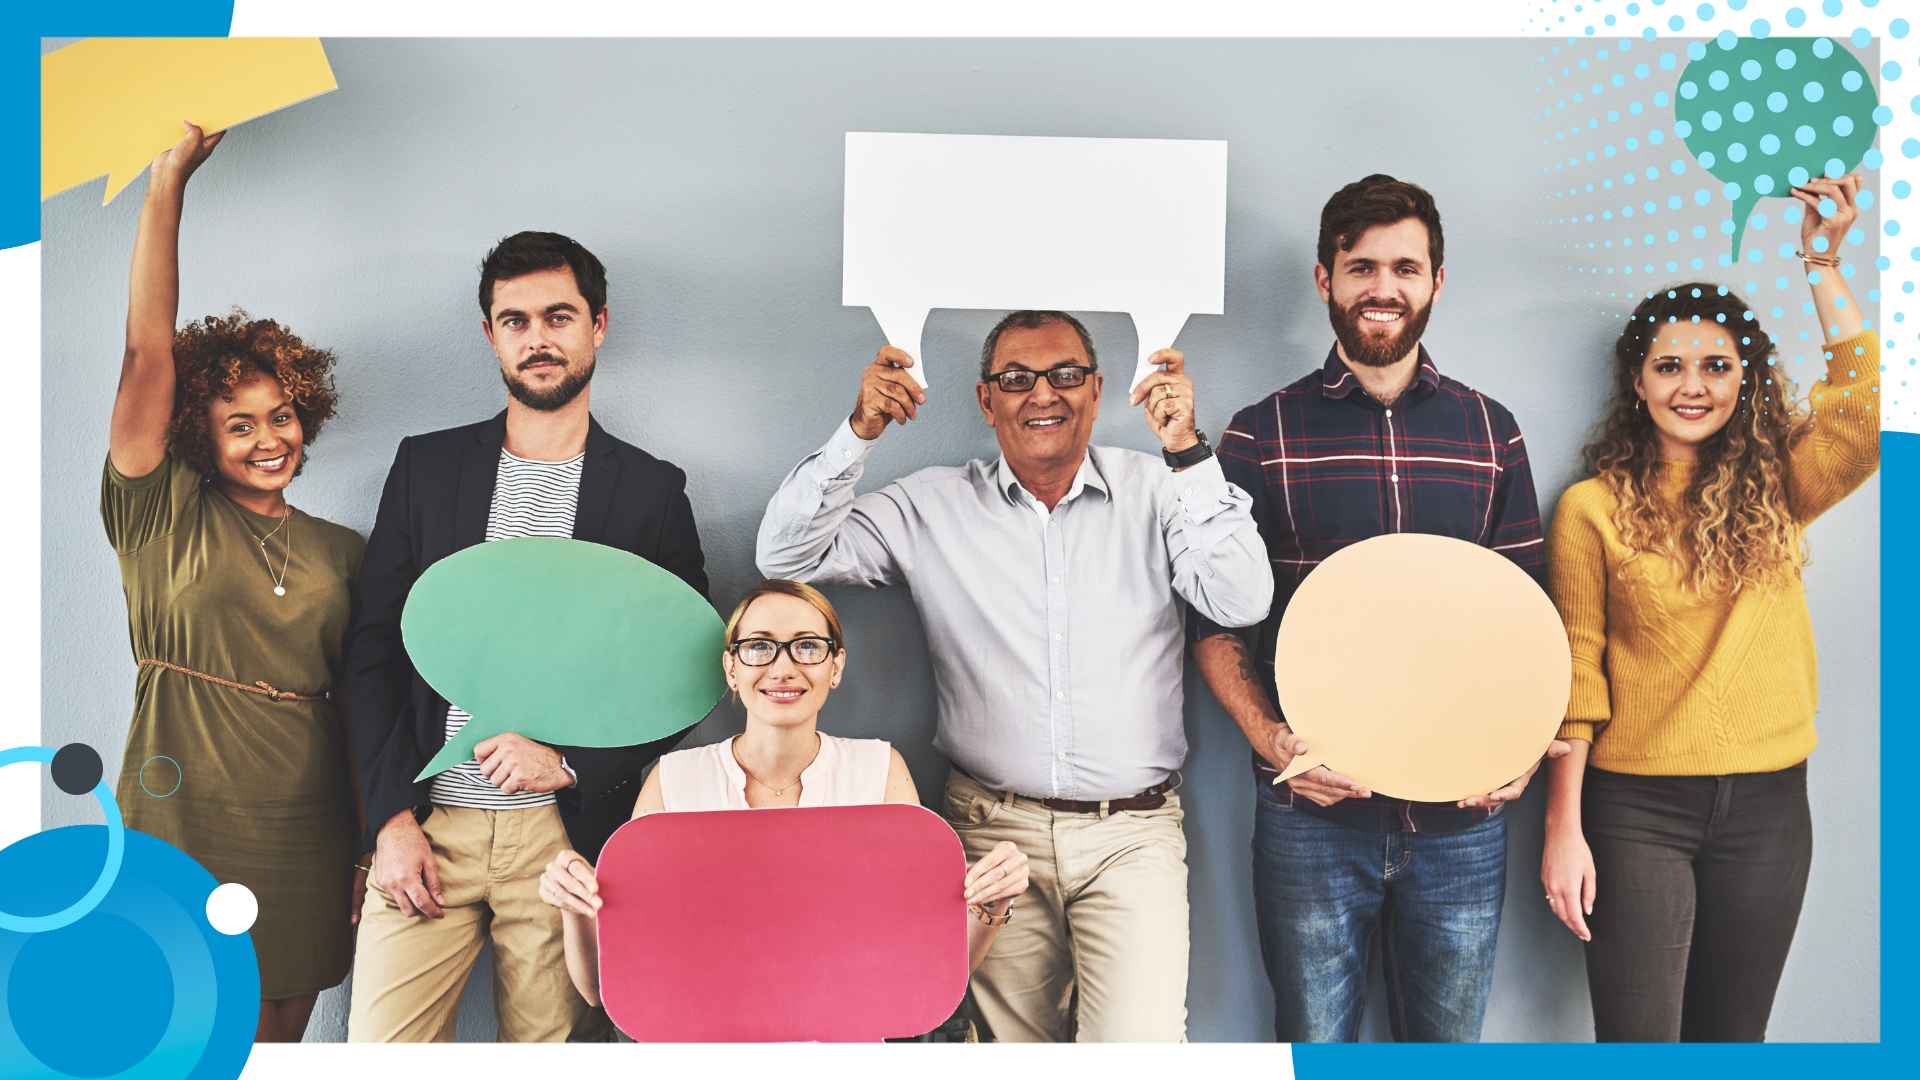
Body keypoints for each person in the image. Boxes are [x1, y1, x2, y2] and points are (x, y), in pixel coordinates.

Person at [756, 310, 1273, 1042]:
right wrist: (859, 431)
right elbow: (784, 557)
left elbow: (1240, 597)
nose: (1043, 395)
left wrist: (1187, 449)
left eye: (1065, 375)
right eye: (1016, 378)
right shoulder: (930, 504)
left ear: (1096, 392)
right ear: (984, 398)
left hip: (1133, 837)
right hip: (989, 831)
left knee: (1143, 1057)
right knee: (1009, 1060)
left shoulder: (1159, 489)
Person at [1190, 174, 1566, 1042]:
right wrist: (1270, 741)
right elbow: (1214, 626)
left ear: (1438, 281)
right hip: (1312, 818)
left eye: (1406, 266)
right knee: (1313, 1048)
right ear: (1325, 280)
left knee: (1446, 1056)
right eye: (1361, 267)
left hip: (1462, 825)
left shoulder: (1489, 431)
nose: (1383, 288)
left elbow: (1527, 620)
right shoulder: (1259, 434)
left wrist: (1519, 749)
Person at [342, 231, 710, 1043]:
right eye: (515, 320)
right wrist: (389, 823)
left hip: (563, 838)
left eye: (558, 316)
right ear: (490, 335)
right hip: (428, 823)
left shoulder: (651, 491)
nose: (537, 338)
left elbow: (685, 673)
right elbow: (371, 653)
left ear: (598, 326)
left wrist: (574, 766)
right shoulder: (426, 469)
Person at [1539, 175, 1880, 1042]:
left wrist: (1824, 260)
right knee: (1642, 1044)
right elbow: (1576, 676)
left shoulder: (1780, 486)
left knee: (1734, 1046)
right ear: (1639, 381)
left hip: (1770, 808)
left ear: (1744, 378)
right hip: (1635, 808)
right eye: (1671, 365)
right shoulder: (1592, 509)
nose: (1694, 385)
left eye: (1717, 365)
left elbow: (1870, 414)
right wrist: (1563, 830)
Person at [102, 123, 363, 1043]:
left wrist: (374, 842)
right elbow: (147, 354)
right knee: (175, 1027)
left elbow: (363, 702)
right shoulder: (157, 512)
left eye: (282, 415)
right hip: (179, 805)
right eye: (238, 422)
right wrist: (167, 181)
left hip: (309, 817)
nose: (267, 439)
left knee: (279, 1034)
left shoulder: (346, 549)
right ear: (194, 436)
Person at [539, 579, 1031, 1040]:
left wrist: (990, 907)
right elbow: (606, 990)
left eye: (808, 646)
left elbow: (925, 975)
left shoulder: (879, 768)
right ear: (732, 669)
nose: (783, 667)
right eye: (758, 646)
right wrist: (575, 910)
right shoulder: (675, 779)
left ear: (835, 666)